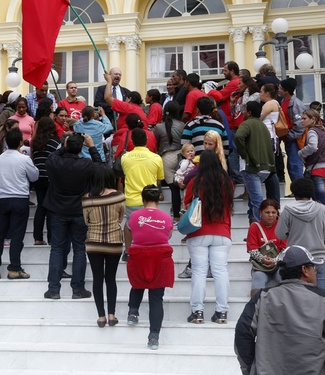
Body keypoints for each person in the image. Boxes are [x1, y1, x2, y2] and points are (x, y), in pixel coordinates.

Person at [235, 244, 325, 375]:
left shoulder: (261, 298)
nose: (315, 272)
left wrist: (252, 369)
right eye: (313, 267)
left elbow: (242, 336)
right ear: (305, 270)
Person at [43, 133, 103, 300]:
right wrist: (91, 147)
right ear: (81, 148)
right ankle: (77, 289)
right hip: (78, 210)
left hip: (57, 209)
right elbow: (100, 167)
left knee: (56, 249)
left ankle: (54, 289)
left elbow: (53, 155)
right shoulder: (85, 164)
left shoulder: (55, 161)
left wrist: (65, 145)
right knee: (79, 249)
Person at [183, 150, 233, 324]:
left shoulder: (195, 183)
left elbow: (186, 203)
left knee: (199, 271)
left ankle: (197, 311)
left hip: (198, 232)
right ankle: (222, 312)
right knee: (220, 271)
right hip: (222, 232)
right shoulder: (227, 182)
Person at [0, 129, 39, 280]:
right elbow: (34, 176)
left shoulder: (1, 158)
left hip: (4, 199)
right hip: (20, 198)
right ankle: (14, 268)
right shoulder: (23, 159)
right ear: (20, 142)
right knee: (17, 235)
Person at [126, 185, 174, 350]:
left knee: (137, 284)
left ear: (143, 199)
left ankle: (133, 312)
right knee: (156, 298)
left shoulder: (134, 216)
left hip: (139, 254)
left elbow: (131, 231)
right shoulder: (167, 217)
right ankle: (154, 336)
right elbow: (168, 236)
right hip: (160, 258)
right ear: (159, 199)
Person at [83, 165, 125, 328]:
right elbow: (121, 218)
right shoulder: (119, 196)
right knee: (111, 279)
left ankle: (101, 316)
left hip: (94, 242)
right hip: (114, 241)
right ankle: (112, 315)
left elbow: (86, 221)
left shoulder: (87, 198)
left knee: (97, 278)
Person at [276, 177, 325, 291]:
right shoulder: (322, 209)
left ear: (294, 192)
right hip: (319, 259)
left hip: (296, 262)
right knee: (321, 298)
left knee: (297, 299)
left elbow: (280, 235)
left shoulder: (288, 210)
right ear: (312, 191)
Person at [121, 128, 165, 257]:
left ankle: (128, 251)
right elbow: (159, 179)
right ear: (146, 140)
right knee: (151, 226)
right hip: (151, 197)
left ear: (132, 141)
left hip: (132, 198)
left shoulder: (125, 158)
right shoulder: (156, 158)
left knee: (129, 225)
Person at [235, 101, 281, 221]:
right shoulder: (264, 126)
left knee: (257, 200)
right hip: (265, 168)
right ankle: (254, 223)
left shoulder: (247, 124)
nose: (243, 112)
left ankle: (260, 230)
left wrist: (244, 154)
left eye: (244, 110)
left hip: (251, 167)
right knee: (254, 196)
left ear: (249, 112)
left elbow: (238, 136)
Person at [30, 117, 61, 246]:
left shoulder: (35, 143)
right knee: (51, 208)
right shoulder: (55, 142)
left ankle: (37, 237)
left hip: (38, 178)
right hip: (51, 177)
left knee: (41, 207)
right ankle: (51, 238)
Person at [247, 199, 286, 296]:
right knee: (258, 279)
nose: (271, 215)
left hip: (279, 265)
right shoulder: (254, 227)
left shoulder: (282, 227)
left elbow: (285, 249)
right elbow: (252, 249)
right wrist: (263, 259)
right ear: (260, 213)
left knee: (285, 279)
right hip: (260, 266)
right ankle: (256, 308)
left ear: (277, 213)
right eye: (267, 212)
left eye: (273, 212)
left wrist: (275, 261)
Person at [277, 78, 305, 184]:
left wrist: (290, 135)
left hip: (294, 140)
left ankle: (300, 191)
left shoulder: (296, 105)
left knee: (295, 165)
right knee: (291, 165)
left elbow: (300, 124)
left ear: (286, 91)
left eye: (280, 88)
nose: (278, 90)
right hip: (288, 139)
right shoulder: (284, 102)